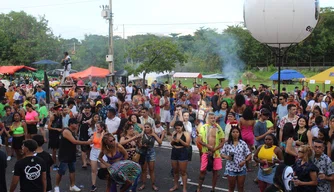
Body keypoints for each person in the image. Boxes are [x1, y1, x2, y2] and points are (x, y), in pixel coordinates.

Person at [54, 118, 92, 192]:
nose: (77, 125)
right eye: (76, 124)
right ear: (71, 124)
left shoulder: (72, 131)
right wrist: (86, 143)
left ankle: (72, 185)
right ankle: (56, 186)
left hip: (71, 153)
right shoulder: (66, 131)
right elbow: (74, 142)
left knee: (72, 170)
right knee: (61, 171)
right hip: (64, 154)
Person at [196, 112, 225, 192]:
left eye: (213, 118)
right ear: (207, 119)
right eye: (211, 118)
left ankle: (213, 189)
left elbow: (223, 141)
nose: (213, 119)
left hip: (216, 154)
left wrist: (215, 149)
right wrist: (207, 146)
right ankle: (199, 188)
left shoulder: (218, 128)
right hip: (206, 152)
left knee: (215, 172)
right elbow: (199, 140)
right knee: (202, 170)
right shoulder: (204, 127)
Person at [221, 126, 251, 192]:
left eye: (237, 132)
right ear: (231, 133)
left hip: (241, 168)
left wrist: (245, 161)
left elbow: (249, 154)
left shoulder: (243, 143)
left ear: (239, 133)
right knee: (231, 187)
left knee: (241, 186)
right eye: (233, 132)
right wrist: (227, 157)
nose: (235, 133)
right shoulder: (227, 143)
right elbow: (222, 154)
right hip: (231, 168)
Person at [138, 122, 162, 191]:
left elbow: (160, 142)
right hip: (143, 152)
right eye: (145, 127)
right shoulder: (142, 134)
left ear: (151, 128)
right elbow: (139, 145)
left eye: (148, 127)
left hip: (151, 152)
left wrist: (154, 135)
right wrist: (142, 145)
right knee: (144, 170)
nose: (146, 128)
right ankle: (143, 184)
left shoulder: (153, 134)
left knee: (151, 170)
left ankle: (153, 184)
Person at [169, 121, 191, 192]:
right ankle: (175, 185)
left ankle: (184, 188)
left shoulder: (186, 133)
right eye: (176, 128)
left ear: (182, 127)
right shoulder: (174, 133)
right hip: (174, 151)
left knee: (183, 172)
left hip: (182, 151)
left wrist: (180, 140)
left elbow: (187, 144)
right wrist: (173, 141)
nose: (177, 130)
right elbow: (172, 144)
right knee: (175, 171)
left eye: (179, 128)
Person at [89, 121, 106, 191]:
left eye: (98, 127)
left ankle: (111, 180)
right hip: (94, 151)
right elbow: (91, 140)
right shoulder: (95, 133)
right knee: (93, 169)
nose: (97, 128)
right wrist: (90, 140)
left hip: (101, 152)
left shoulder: (105, 134)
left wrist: (102, 134)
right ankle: (93, 185)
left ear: (102, 128)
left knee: (104, 168)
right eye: (96, 127)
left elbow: (101, 142)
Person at [48, 105, 63, 171]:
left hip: (59, 134)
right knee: (54, 150)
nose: (60, 111)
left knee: (60, 148)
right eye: (59, 110)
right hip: (53, 135)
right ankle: (54, 163)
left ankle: (60, 162)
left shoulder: (60, 116)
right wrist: (56, 129)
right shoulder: (52, 117)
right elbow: (48, 127)